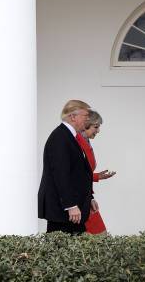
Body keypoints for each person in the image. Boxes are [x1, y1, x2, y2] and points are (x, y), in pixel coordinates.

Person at [38, 100, 97, 234]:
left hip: (72, 210)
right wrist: (70, 205)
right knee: (60, 251)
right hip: (63, 212)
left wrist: (90, 198)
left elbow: (78, 173)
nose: (88, 121)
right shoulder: (60, 137)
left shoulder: (70, 136)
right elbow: (61, 174)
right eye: (86, 117)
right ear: (73, 117)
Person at [77, 110, 116, 234]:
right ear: (86, 125)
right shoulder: (77, 143)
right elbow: (74, 174)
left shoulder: (85, 142)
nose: (98, 130)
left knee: (98, 239)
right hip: (79, 201)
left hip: (85, 198)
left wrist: (97, 177)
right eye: (96, 127)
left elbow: (82, 173)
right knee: (99, 239)